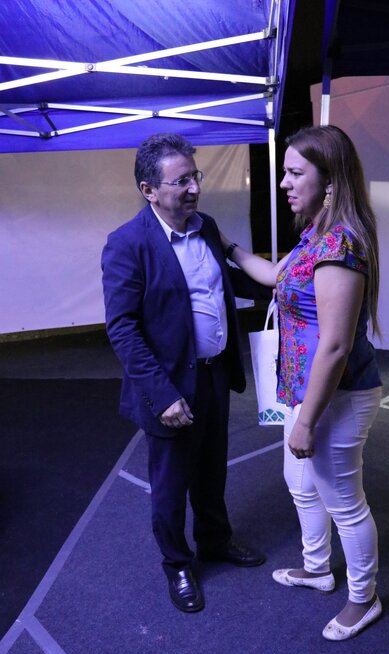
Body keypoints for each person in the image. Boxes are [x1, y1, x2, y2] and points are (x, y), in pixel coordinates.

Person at [220, 125, 382, 640]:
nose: (284, 183)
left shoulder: (340, 245)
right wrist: (226, 245)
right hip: (305, 392)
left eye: (295, 173)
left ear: (330, 181)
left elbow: (334, 346)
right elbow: (273, 276)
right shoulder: (314, 235)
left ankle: (365, 598)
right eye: (284, 172)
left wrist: (307, 422)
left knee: (343, 501)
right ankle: (317, 569)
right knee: (300, 484)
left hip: (338, 395)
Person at [101, 133, 268, 614]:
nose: (194, 188)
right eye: (181, 181)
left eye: (196, 176)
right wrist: (163, 395)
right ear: (149, 190)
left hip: (214, 375)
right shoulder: (127, 244)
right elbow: (123, 328)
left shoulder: (206, 226)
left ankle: (215, 541)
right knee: (171, 483)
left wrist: (286, 283)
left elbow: (223, 282)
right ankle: (177, 562)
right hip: (169, 386)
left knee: (212, 468)